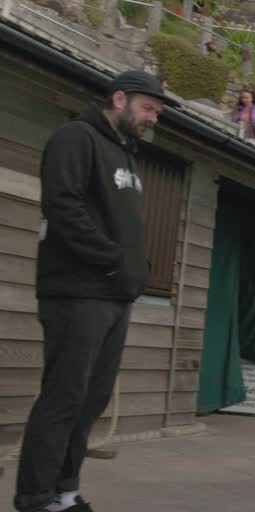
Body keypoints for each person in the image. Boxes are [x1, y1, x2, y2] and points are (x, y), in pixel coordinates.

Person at [14, 70, 170, 512]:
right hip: (77, 292)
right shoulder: (75, 138)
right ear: (119, 99)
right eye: (147, 109)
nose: (152, 119)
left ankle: (64, 490)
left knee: (91, 399)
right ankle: (34, 497)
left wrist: (137, 268)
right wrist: (114, 259)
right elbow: (63, 207)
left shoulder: (126, 155)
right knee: (64, 396)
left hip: (113, 297)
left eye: (156, 112)